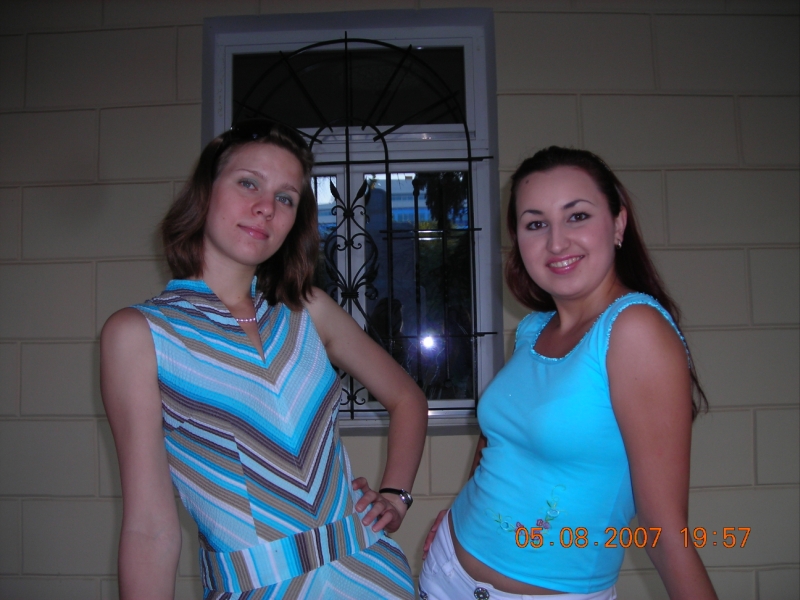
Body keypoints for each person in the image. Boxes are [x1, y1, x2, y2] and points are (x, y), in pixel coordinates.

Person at [100, 119, 427, 599]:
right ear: (205, 192)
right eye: (248, 183)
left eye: (286, 198)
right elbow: (150, 528)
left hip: (374, 576)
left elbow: (407, 398)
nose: (266, 208)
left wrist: (396, 497)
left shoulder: (307, 310)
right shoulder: (140, 334)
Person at [419, 147, 718, 600]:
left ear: (618, 223)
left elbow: (665, 530)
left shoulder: (633, 330)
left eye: (577, 216)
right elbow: (499, 439)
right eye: (535, 224)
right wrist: (458, 515)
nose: (556, 243)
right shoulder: (533, 329)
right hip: (448, 571)